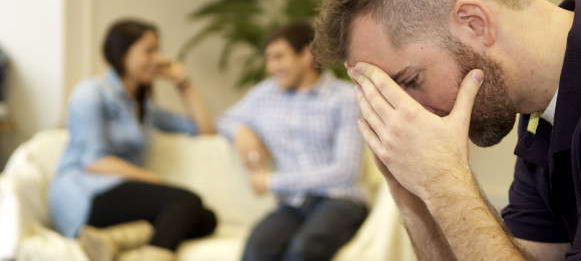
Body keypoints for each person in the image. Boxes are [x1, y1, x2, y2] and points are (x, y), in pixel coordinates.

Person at [311, 0, 581, 259]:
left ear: (474, 24)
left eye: (411, 81)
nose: (412, 114)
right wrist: (408, 186)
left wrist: (442, 179)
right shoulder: (543, 112)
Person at [48, 19, 217, 261]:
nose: (157, 59)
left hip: (117, 194)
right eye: (148, 51)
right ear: (122, 55)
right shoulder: (91, 93)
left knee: (207, 218)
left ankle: (113, 239)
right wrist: (156, 181)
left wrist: (182, 82)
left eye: (157, 50)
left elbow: (205, 130)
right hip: (84, 194)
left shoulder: (144, 108)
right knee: (186, 200)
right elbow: (94, 162)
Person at [216, 22, 368, 261]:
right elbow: (224, 119)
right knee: (257, 248)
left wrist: (272, 181)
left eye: (278, 57)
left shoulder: (344, 97)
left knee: (304, 248)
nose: (270, 67)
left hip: (340, 200)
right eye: (269, 58)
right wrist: (240, 131)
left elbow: (345, 172)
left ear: (306, 54)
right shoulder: (266, 94)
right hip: (292, 205)